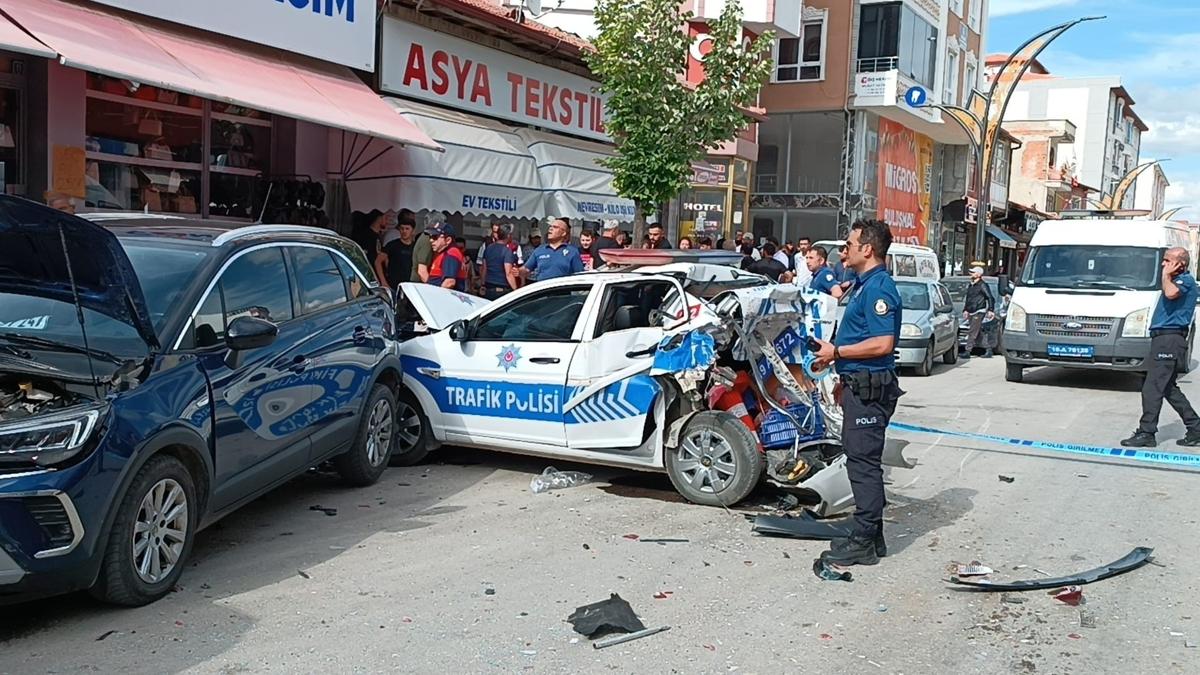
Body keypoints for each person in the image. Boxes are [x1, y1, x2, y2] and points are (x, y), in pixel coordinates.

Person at [812, 219, 903, 567]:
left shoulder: (879, 288)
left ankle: (864, 539)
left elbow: (882, 343)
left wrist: (835, 353)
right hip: (858, 383)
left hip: (870, 389)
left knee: (863, 465)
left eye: (848, 244)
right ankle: (873, 535)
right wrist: (839, 372)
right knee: (862, 460)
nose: (842, 250)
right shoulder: (865, 285)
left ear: (867, 249)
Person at [1122, 247, 1200, 448]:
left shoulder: (1185, 281)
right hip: (1163, 339)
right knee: (1167, 388)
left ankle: (1147, 432)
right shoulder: (1174, 280)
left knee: (1152, 388)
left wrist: (1166, 276)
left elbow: (1172, 293)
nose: (1163, 264)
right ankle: (1196, 428)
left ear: (1180, 264)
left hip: (1170, 339)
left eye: (1168, 261)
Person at [524, 217, 584, 282]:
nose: (550, 229)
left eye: (555, 227)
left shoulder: (573, 251)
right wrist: (518, 271)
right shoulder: (539, 250)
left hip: (562, 290)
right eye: (550, 226)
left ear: (563, 233)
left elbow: (579, 275)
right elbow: (526, 269)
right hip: (542, 289)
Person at [961, 266, 996, 358]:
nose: (971, 274)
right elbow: (969, 299)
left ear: (979, 274)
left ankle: (967, 351)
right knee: (978, 332)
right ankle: (988, 349)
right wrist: (965, 310)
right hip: (971, 311)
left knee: (972, 331)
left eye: (973, 272)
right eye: (971, 272)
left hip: (978, 311)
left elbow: (990, 297)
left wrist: (990, 310)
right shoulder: (971, 285)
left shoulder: (982, 285)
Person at [378, 216, 418, 289]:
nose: (404, 231)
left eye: (407, 229)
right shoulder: (392, 245)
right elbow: (378, 262)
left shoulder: (416, 246)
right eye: (402, 229)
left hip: (411, 285)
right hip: (394, 285)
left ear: (413, 231)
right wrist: (383, 281)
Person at [479, 227, 519, 300]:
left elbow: (484, 268)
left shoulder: (488, 248)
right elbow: (508, 273)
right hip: (502, 289)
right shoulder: (507, 251)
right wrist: (515, 290)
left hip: (488, 286)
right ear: (508, 236)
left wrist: (482, 284)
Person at [427, 223, 467, 291]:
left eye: (435, 237)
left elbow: (449, 282)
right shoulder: (446, 253)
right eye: (430, 237)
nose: (431, 240)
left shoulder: (451, 254)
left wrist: (436, 296)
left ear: (448, 240)